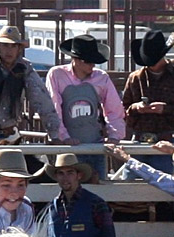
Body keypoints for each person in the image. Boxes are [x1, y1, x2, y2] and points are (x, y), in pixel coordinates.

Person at [46, 34, 126, 179]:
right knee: (69, 189)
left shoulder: (102, 77)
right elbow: (54, 108)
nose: (92, 65)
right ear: (75, 60)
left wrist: (114, 136)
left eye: (93, 61)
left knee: (98, 189)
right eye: (88, 61)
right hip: (68, 149)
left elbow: (114, 110)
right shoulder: (56, 75)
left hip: (95, 145)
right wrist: (64, 137)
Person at [121, 30, 174, 173]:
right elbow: (123, 111)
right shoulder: (135, 78)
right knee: (129, 186)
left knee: (161, 188)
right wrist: (136, 108)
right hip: (139, 141)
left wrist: (166, 109)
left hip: (165, 141)